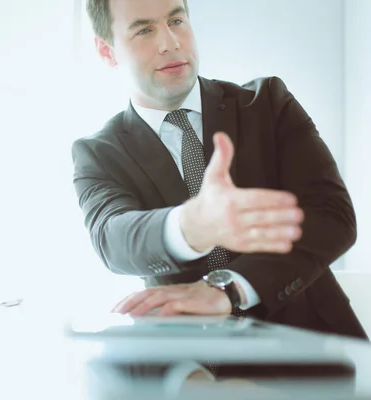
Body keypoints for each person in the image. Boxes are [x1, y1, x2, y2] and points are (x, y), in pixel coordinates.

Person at [72, 0, 368, 341]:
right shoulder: (98, 153)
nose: (170, 42)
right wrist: (189, 226)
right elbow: (112, 237)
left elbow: (333, 218)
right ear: (107, 51)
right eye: (144, 30)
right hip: (189, 373)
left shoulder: (269, 103)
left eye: (176, 20)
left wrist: (230, 289)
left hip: (317, 359)